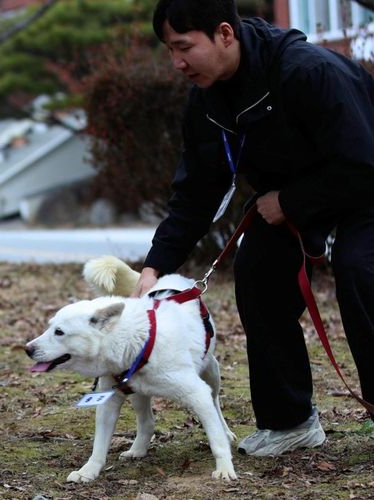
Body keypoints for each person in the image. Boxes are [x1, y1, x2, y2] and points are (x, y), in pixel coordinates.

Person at [136, 0, 374, 456]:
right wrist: (155, 266)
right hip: (294, 196)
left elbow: (362, 162)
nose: (177, 63)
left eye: (184, 47)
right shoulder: (206, 101)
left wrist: (290, 201)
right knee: (257, 270)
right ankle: (290, 423)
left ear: (225, 33)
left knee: (362, 271)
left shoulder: (308, 72)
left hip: (365, 181)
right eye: (169, 50)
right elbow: (196, 191)